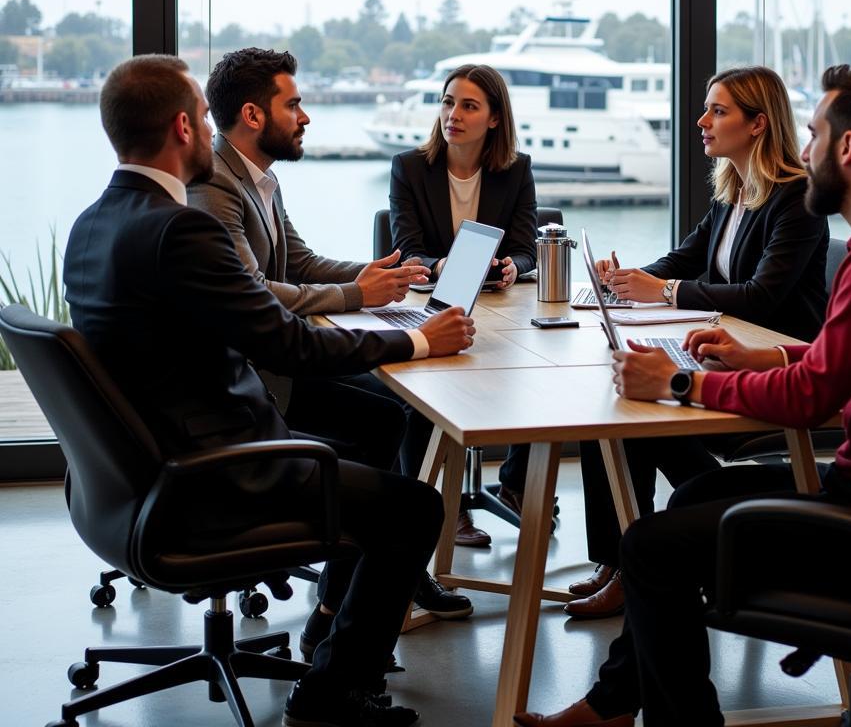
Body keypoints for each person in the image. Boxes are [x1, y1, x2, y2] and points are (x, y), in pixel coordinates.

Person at [514, 65, 851, 727]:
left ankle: (662, 718)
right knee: (691, 500)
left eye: (813, 134)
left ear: (848, 149)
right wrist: (768, 355)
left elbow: (809, 399)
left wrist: (682, 382)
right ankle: (612, 704)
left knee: (651, 549)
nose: (804, 151)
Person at [64, 55, 475, 727]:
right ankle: (331, 697)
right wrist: (420, 341)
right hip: (216, 477)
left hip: (128, 480)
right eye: (201, 115)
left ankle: (330, 638)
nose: (210, 126)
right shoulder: (182, 229)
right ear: (183, 128)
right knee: (413, 509)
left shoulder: (93, 223)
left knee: (379, 436)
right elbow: (288, 344)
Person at [188, 47, 471, 620]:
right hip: (256, 382)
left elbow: (299, 261)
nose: (307, 116)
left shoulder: (257, 177)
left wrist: (372, 277)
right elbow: (259, 291)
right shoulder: (216, 186)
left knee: (393, 409)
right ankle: (356, 593)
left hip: (271, 364)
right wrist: (358, 296)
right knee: (389, 411)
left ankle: (356, 589)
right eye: (294, 104)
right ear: (253, 115)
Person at [569, 65, 828, 619]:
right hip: (725, 347)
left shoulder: (797, 198)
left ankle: (640, 557)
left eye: (718, 110)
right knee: (613, 402)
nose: (701, 120)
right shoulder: (732, 192)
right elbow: (685, 260)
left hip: (773, 361)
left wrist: (660, 290)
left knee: (625, 411)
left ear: (758, 124)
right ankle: (618, 562)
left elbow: (762, 297)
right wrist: (626, 281)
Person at [389, 63, 538, 547]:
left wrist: (514, 266)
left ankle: (514, 484)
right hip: (432, 302)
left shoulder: (516, 169)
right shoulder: (409, 167)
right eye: (447, 102)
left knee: (535, 371)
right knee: (426, 391)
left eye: (468, 105)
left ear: (494, 118)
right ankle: (439, 507)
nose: (453, 114)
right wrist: (439, 266)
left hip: (499, 307)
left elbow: (525, 245)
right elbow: (407, 247)